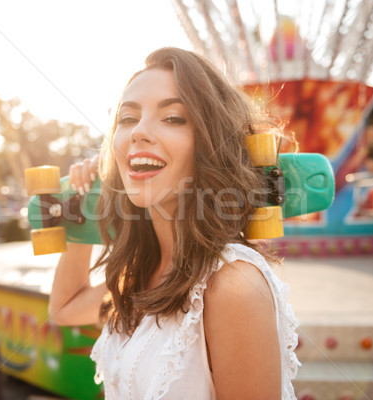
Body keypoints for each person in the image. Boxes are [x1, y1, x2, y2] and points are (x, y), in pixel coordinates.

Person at [48, 47, 300, 399]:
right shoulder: (140, 271)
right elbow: (64, 309)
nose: (139, 132)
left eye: (173, 118)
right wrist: (83, 210)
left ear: (212, 145)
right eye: (127, 118)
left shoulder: (232, 285)